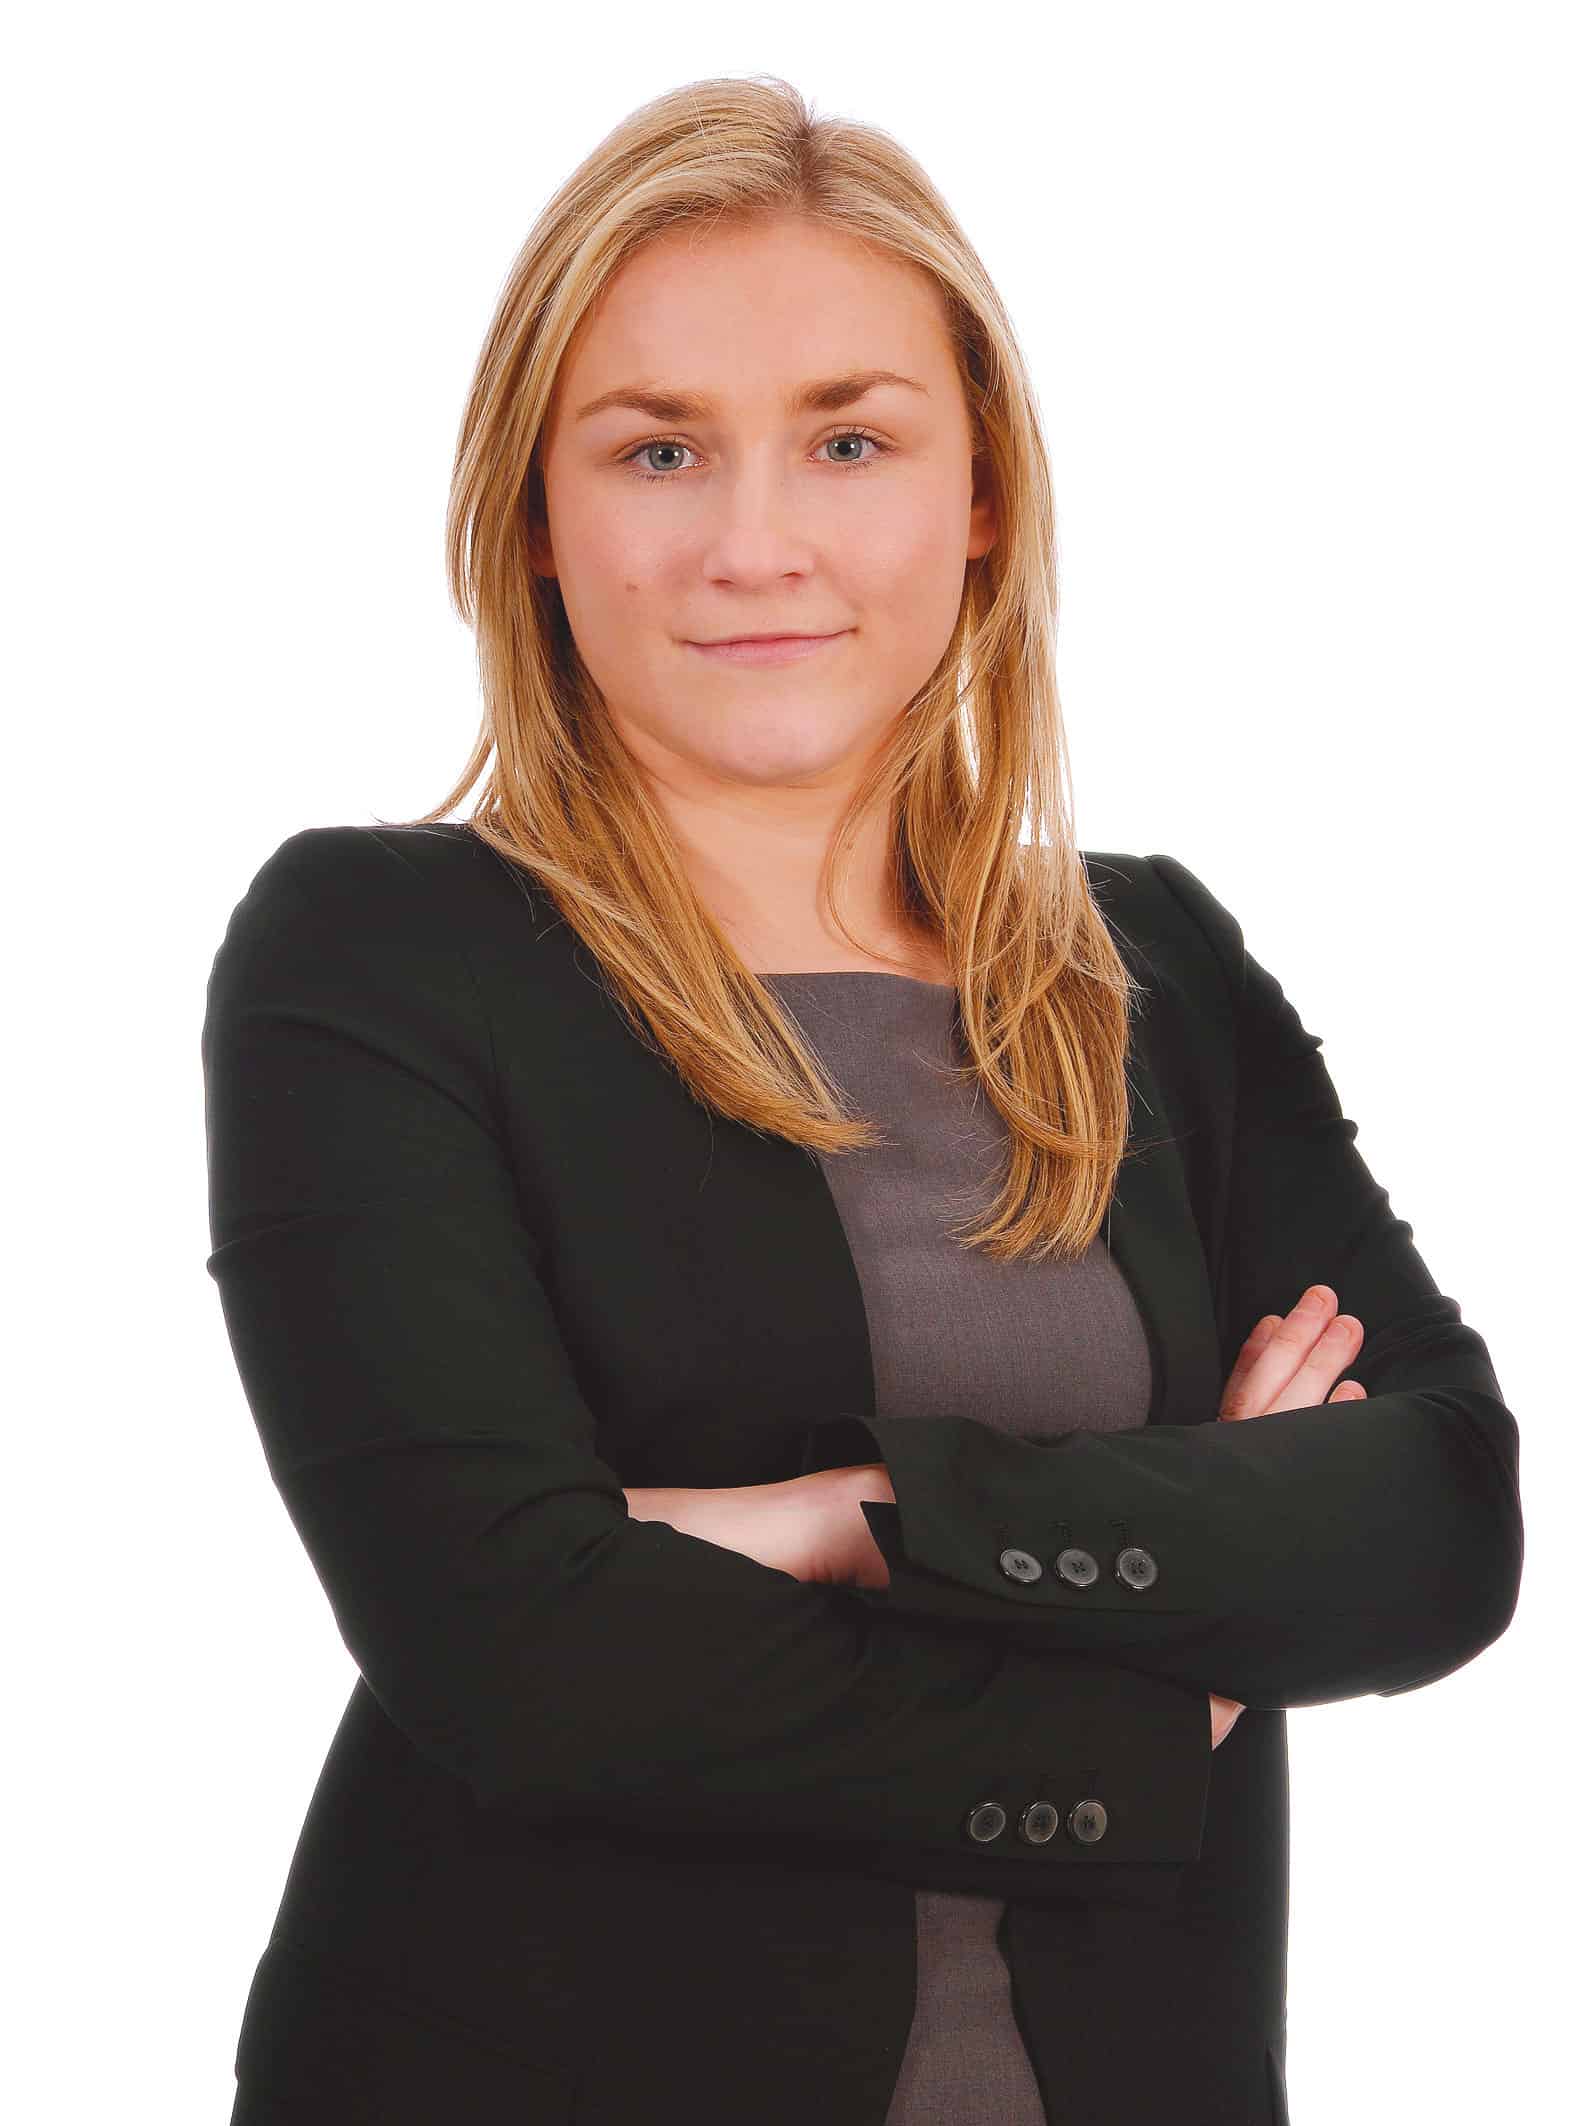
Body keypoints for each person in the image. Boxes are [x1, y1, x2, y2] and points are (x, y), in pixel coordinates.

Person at [202, 75, 1523, 2126]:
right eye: (657, 449)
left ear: (978, 490)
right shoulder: (379, 950)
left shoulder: (1151, 966)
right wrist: (1172, 1650)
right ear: (536, 513)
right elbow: (515, 1657)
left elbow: (1434, 1517)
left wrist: (843, 1525)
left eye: (849, 439)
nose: (757, 544)